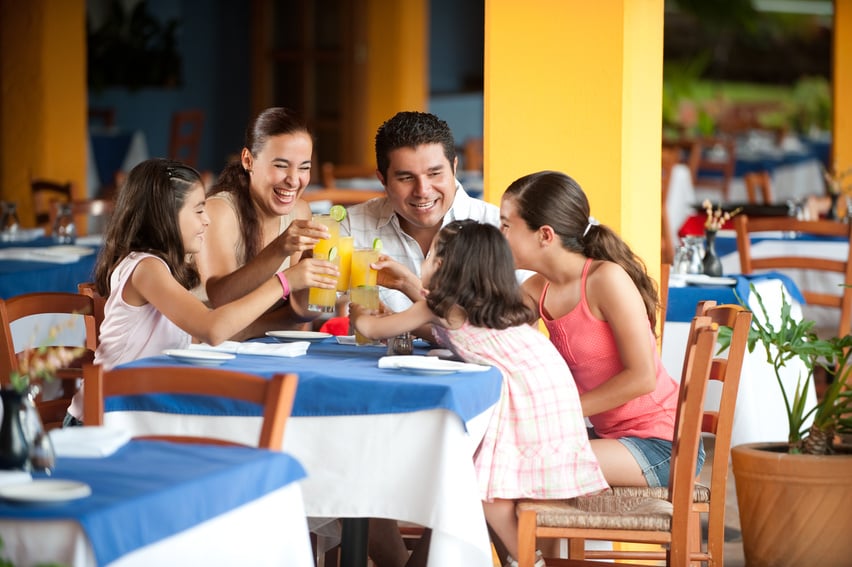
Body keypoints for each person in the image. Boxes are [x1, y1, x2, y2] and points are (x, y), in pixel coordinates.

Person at [350, 220, 607, 565]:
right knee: (498, 490)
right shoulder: (488, 307)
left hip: (526, 401)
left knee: (490, 493)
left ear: (440, 266)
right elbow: (440, 330)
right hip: (550, 397)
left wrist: (358, 310)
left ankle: (527, 560)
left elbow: (370, 328)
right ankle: (527, 557)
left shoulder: (439, 307)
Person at [63, 159, 335, 425]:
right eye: (198, 210)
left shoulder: (163, 270)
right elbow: (213, 329)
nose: (207, 221)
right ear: (166, 215)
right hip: (99, 420)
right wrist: (284, 282)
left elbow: (197, 335)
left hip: (138, 415)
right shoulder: (146, 268)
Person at [499, 170, 703, 489]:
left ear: (544, 235)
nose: (500, 235)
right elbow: (488, 336)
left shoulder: (606, 279)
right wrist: (419, 288)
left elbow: (642, 376)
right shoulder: (535, 290)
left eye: (507, 225)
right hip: (611, 437)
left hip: (663, 444)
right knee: (503, 455)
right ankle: (534, 542)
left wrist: (563, 413)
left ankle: (531, 542)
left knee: (530, 464)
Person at [196, 106, 338, 339]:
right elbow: (221, 299)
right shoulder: (219, 211)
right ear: (248, 160)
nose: (293, 180)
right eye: (281, 165)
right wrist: (280, 248)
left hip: (264, 346)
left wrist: (321, 277)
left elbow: (297, 313)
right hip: (207, 352)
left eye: (304, 167)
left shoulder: (300, 211)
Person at [341, 110, 501, 313]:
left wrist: (406, 285)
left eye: (435, 173)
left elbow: (507, 330)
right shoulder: (351, 226)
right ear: (383, 180)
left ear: (454, 167)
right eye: (406, 178)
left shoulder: (497, 226)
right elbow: (315, 311)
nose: (423, 191)